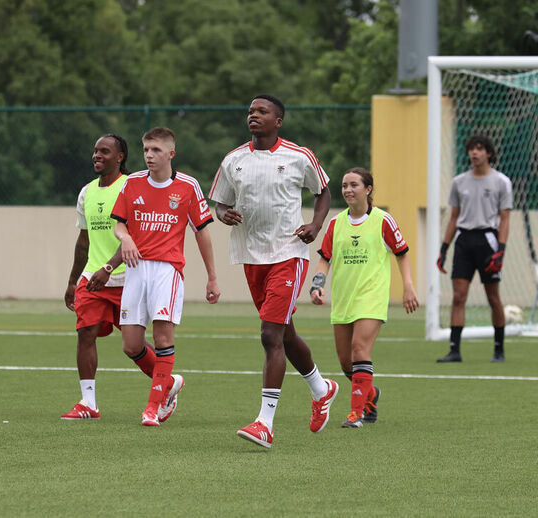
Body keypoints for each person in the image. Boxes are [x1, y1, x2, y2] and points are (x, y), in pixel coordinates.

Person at [209, 94, 338, 448]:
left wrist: (316, 224)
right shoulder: (233, 159)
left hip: (288, 253)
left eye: (262, 111)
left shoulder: (299, 156)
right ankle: (322, 388)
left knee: (270, 334)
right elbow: (219, 201)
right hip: (251, 256)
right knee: (285, 334)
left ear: (278, 121)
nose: (254, 115)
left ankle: (264, 422)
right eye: (250, 110)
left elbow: (323, 192)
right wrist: (224, 214)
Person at [110, 126, 221, 427]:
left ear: (171, 153)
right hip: (136, 270)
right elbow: (119, 225)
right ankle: (169, 384)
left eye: (156, 150)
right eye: (146, 150)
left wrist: (212, 277)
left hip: (167, 271)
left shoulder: (188, 186)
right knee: (131, 345)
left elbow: (202, 233)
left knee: (162, 338)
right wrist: (126, 239)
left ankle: (152, 408)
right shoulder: (131, 183)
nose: (149, 155)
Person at [309, 167, 419, 428]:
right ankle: (370, 395)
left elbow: (401, 253)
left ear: (368, 189)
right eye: (345, 185)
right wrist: (317, 284)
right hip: (344, 299)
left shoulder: (383, 220)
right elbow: (324, 259)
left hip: (371, 297)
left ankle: (355, 413)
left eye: (354, 185)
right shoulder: (336, 224)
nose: (348, 189)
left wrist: (408, 286)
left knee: (360, 349)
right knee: (346, 362)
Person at [62, 133, 157, 419]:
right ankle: (88, 402)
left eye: (104, 151)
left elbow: (137, 236)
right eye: (95, 151)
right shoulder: (86, 192)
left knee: (134, 346)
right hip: (92, 277)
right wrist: (72, 281)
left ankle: (166, 383)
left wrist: (109, 268)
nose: (97, 156)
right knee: (85, 333)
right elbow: (84, 241)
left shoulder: (133, 187)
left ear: (120, 157)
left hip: (129, 278)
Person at [435, 135, 512, 363]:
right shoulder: (459, 182)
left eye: (479, 149)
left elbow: (505, 219)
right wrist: (444, 249)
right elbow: (454, 218)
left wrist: (501, 250)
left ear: (489, 153)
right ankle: (454, 350)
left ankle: (499, 349)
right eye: (471, 149)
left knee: (493, 297)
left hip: (488, 241)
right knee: (458, 296)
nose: (474, 153)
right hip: (463, 242)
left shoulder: (501, 182)